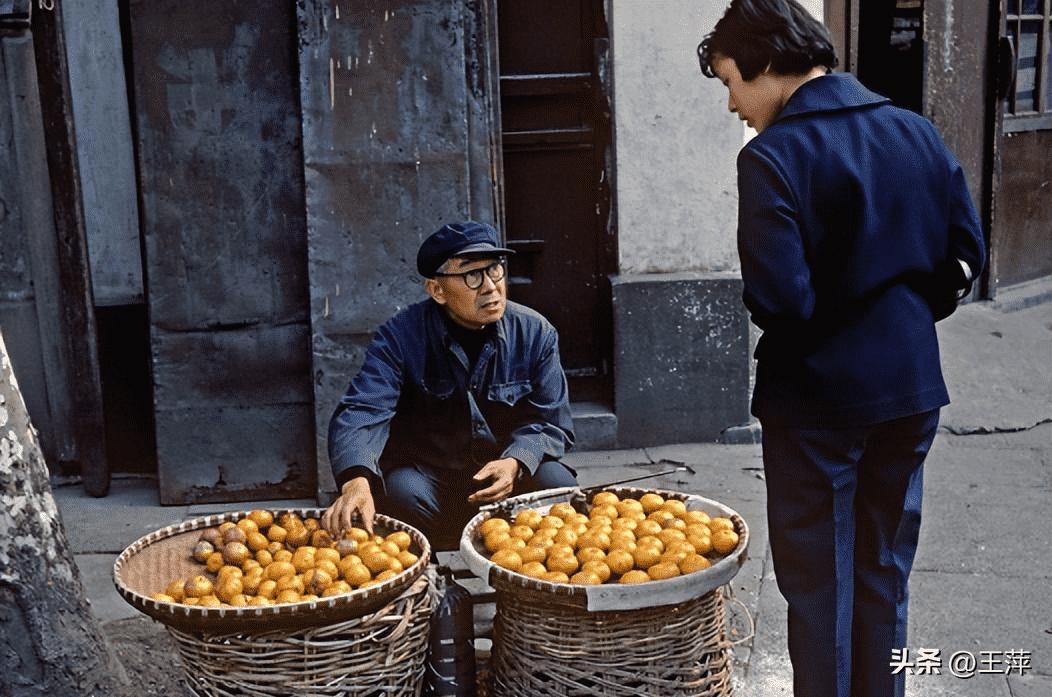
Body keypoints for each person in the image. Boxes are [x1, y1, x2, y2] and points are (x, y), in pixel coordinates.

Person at [697, 2, 987, 696]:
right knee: (884, 568)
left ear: (769, 63)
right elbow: (965, 256)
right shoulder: (915, 131)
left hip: (818, 401)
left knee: (821, 585)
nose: (733, 102)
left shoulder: (772, 156)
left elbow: (781, 301)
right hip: (910, 385)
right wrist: (903, 312)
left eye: (732, 81)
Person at [321, 221, 577, 550]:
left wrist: (516, 461)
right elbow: (363, 409)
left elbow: (551, 421)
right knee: (401, 491)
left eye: (495, 270)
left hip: (507, 474)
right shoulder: (400, 337)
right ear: (437, 291)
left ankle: (534, 585)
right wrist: (355, 480)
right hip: (434, 479)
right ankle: (433, 582)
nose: (490, 287)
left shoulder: (535, 332)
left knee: (557, 484)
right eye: (472, 275)